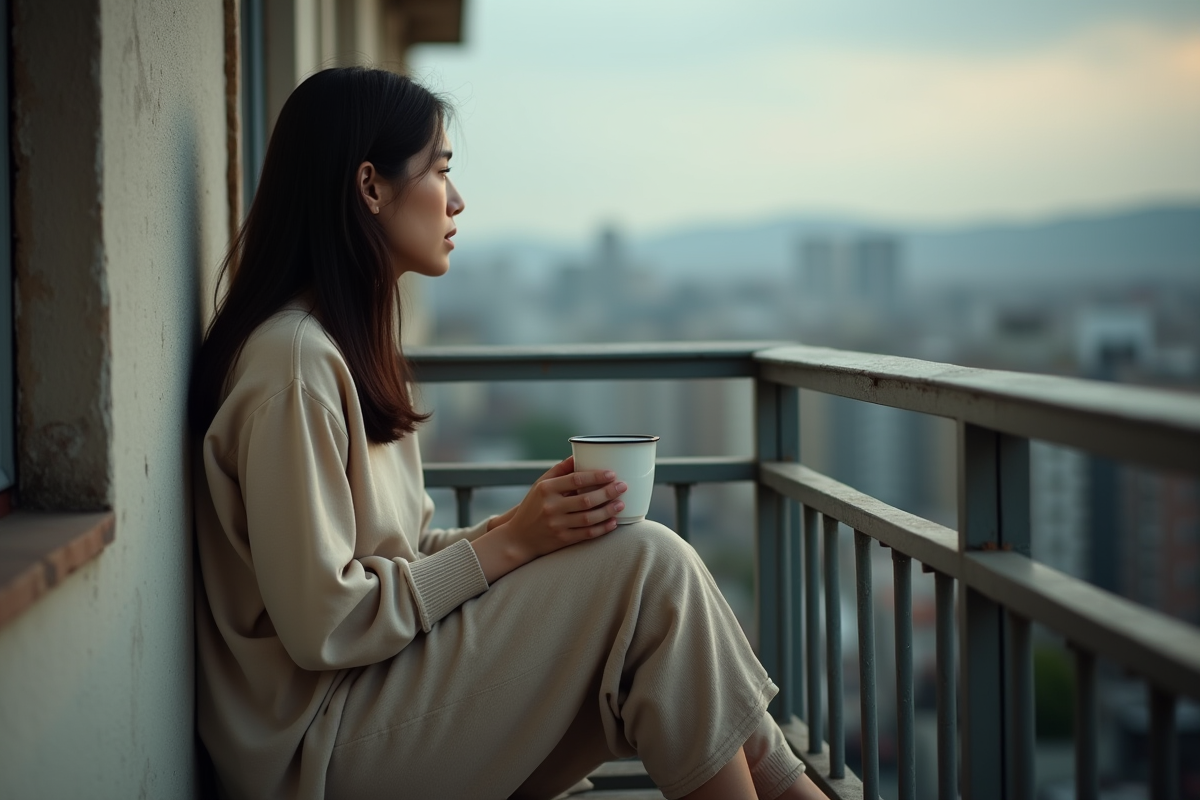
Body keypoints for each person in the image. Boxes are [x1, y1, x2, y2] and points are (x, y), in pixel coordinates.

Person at [189, 67, 828, 800]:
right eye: (441, 171)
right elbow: (325, 623)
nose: (457, 201)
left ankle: (787, 788)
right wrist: (509, 545)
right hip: (316, 750)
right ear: (370, 186)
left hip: (368, 701)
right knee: (651, 566)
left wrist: (525, 529)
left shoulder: (338, 349)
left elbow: (391, 560)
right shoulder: (293, 364)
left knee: (645, 580)